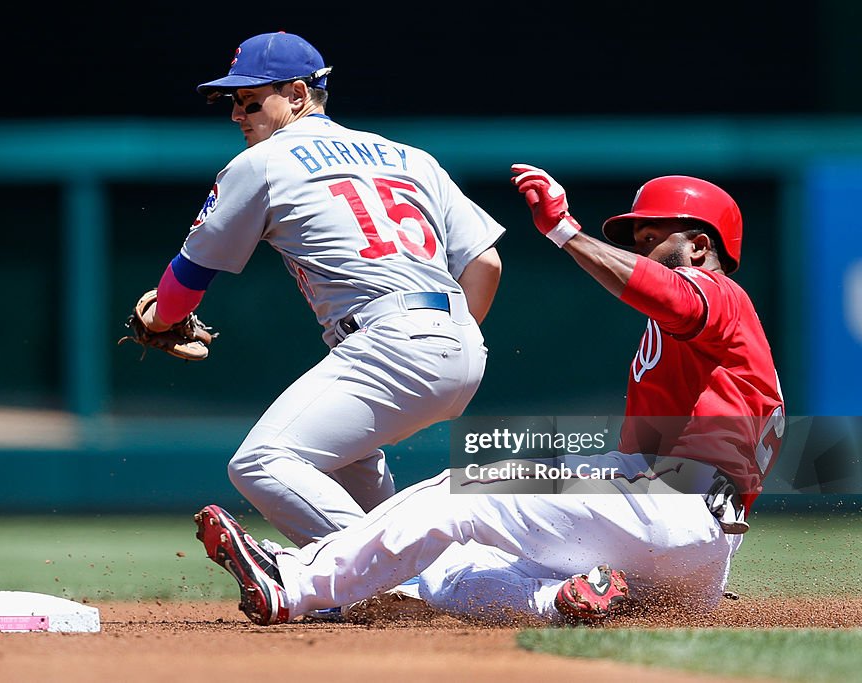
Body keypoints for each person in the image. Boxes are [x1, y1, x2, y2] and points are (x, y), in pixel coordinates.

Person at [193, 166, 785, 626]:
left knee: (456, 493)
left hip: (670, 501)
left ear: (702, 248)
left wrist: (566, 234)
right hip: (699, 552)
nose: (639, 249)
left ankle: (291, 584)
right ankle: (561, 601)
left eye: (653, 237)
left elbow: (668, 293)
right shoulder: (710, 352)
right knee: (462, 574)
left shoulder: (717, 296)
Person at [135, 31, 504, 547]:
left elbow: (189, 277)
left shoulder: (263, 162)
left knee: (262, 462)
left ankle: (394, 585)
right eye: (233, 103)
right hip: (455, 338)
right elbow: (485, 263)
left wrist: (160, 318)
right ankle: (481, 585)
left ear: (297, 95)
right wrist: (443, 336)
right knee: (340, 472)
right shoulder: (411, 156)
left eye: (249, 101)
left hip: (391, 341)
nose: (237, 115)